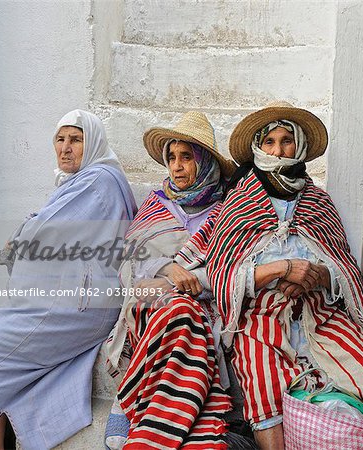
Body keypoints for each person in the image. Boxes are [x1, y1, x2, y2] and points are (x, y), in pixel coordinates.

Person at [206, 102, 363, 450]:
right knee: (263, 381)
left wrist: (319, 274)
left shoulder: (318, 202)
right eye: (270, 142)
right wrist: (281, 269)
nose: (278, 150)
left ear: (299, 146)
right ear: (259, 148)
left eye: (286, 141)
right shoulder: (237, 203)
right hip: (261, 314)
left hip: (319, 311)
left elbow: (345, 266)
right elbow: (222, 273)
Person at [0, 109, 137, 450]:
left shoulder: (99, 181)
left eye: (76, 140)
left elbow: (44, 232)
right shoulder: (82, 182)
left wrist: (25, 229)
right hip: (66, 299)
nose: (66, 148)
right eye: (60, 139)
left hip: (76, 304)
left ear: (93, 142)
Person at [105, 111, 256, 450]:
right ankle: (166, 408)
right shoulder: (154, 206)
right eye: (171, 158)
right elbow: (129, 263)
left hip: (205, 307)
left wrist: (185, 284)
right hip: (150, 307)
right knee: (172, 309)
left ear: (203, 162)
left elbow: (232, 267)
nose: (176, 166)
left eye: (186, 157)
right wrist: (167, 269)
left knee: (182, 312)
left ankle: (141, 413)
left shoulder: (227, 210)